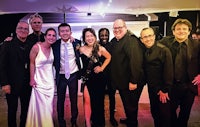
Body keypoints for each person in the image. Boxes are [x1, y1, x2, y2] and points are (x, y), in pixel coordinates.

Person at [158, 18, 200, 127]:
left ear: (189, 31)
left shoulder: (196, 44)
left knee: (185, 115)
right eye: (178, 29)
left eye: (184, 29)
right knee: (170, 113)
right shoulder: (165, 42)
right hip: (171, 86)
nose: (181, 31)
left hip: (189, 86)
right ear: (173, 31)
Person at [110, 19, 145, 127]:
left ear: (125, 27)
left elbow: (135, 62)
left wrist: (133, 81)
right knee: (127, 104)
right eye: (115, 28)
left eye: (120, 27)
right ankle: (130, 119)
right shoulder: (116, 40)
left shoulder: (131, 40)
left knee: (131, 106)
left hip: (131, 82)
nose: (117, 30)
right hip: (122, 82)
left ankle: (132, 123)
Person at [0, 20, 32, 127]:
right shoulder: (7, 44)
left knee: (25, 110)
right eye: (20, 28)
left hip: (27, 84)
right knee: (12, 111)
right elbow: (2, 66)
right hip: (11, 84)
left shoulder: (31, 45)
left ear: (28, 31)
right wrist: (4, 83)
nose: (23, 30)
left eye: (25, 29)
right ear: (16, 30)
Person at [140, 27, 173, 127]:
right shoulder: (145, 50)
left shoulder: (163, 50)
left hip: (162, 89)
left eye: (150, 35)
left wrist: (164, 90)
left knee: (165, 117)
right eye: (145, 37)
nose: (148, 39)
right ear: (141, 39)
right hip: (152, 88)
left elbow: (169, 71)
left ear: (154, 36)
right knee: (155, 113)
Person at [79, 28, 111, 127]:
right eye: (87, 36)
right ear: (84, 38)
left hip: (99, 79)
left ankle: (99, 123)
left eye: (91, 36)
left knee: (99, 102)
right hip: (87, 79)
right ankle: (88, 123)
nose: (89, 38)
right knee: (87, 101)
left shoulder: (100, 48)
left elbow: (109, 57)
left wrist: (102, 68)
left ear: (95, 37)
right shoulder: (80, 49)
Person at [25, 28, 57, 127]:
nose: (51, 37)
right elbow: (31, 63)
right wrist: (32, 79)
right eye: (49, 35)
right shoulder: (36, 47)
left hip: (50, 82)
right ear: (45, 36)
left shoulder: (53, 48)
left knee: (49, 107)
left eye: (53, 35)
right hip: (38, 81)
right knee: (39, 107)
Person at [52, 23, 81, 127]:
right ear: (59, 33)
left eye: (67, 31)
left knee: (74, 99)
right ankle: (61, 121)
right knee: (60, 100)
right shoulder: (54, 44)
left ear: (70, 32)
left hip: (73, 75)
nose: (65, 33)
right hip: (61, 76)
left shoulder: (77, 43)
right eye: (62, 31)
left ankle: (74, 121)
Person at [98, 28, 118, 126]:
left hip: (111, 76)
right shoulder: (96, 46)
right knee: (100, 98)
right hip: (100, 77)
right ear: (99, 36)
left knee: (112, 98)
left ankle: (112, 117)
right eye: (102, 35)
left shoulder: (112, 45)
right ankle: (100, 118)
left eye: (106, 35)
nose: (104, 37)